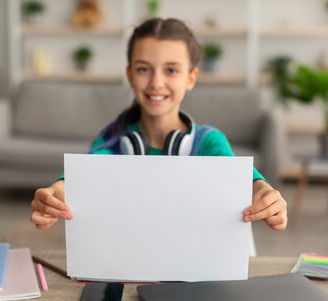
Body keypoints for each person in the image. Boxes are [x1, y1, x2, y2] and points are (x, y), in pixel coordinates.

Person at [31, 18, 287, 232]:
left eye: (171, 70)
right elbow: (84, 173)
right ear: (129, 74)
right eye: (144, 69)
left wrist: (265, 194)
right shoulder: (113, 139)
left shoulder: (209, 142)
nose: (156, 82)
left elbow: (245, 181)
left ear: (191, 77)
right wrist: (56, 193)